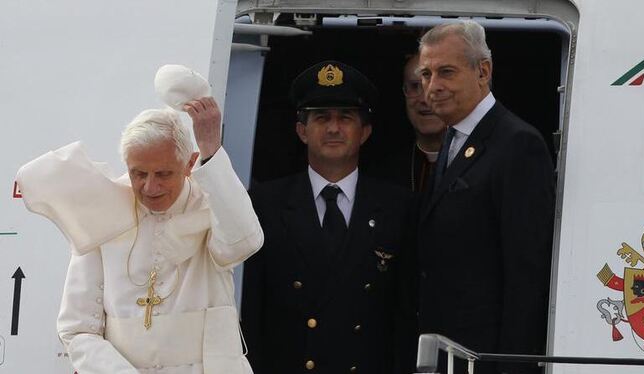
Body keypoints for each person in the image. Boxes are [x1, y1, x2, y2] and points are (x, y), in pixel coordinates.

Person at [18, 98, 263, 373]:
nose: (150, 187)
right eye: (139, 173)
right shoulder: (104, 212)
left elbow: (244, 243)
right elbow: (78, 329)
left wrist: (212, 151)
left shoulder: (213, 202)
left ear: (189, 163)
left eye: (163, 174)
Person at [241, 60, 417, 374]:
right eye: (321, 118)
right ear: (301, 130)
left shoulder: (398, 207)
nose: (333, 128)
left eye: (345, 118)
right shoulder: (265, 204)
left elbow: (404, 315)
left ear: (365, 131)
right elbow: (253, 310)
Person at [416, 21, 555, 374]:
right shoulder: (453, 138)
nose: (433, 87)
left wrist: (510, 366)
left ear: (483, 71)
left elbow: (527, 276)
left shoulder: (517, 144)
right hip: (447, 352)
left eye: (446, 72)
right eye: (426, 74)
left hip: (485, 357)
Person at [372, 53, 446, 192]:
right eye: (414, 86)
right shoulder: (384, 175)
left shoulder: (480, 166)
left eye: (435, 87)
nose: (424, 99)